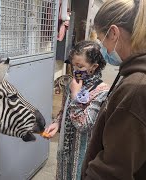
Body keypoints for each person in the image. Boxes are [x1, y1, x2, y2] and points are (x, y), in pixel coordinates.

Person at [81, 0, 146, 180]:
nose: (102, 49)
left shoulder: (137, 89)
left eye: (101, 40)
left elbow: (112, 172)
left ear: (113, 33)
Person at [45, 41, 110, 180]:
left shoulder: (101, 91)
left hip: (82, 152)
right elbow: (64, 109)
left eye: (80, 66)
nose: (75, 70)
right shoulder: (72, 83)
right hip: (65, 149)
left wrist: (75, 95)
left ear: (94, 67)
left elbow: (84, 124)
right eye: (73, 65)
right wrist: (58, 123)